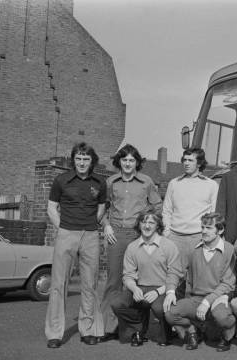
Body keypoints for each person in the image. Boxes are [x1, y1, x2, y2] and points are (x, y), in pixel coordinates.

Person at [45, 142, 106, 348]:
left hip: (90, 235)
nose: (82, 163)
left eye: (86, 159)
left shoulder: (99, 182)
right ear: (74, 160)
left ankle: (87, 329)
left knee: (89, 284)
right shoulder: (61, 180)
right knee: (58, 284)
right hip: (66, 234)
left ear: (92, 161)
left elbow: (101, 209)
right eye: (78, 159)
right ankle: (54, 333)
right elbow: (52, 208)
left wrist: (90, 224)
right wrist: (62, 228)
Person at [100, 144, 163, 342]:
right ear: (119, 162)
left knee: (138, 281)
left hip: (138, 235)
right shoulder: (111, 182)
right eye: (124, 160)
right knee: (114, 281)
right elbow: (102, 209)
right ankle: (108, 327)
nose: (128, 164)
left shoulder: (146, 182)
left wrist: (148, 226)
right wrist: (106, 225)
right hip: (116, 234)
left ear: (137, 162)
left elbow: (158, 206)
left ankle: (136, 327)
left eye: (132, 160)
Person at [163, 213, 236, 352]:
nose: (203, 231)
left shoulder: (229, 250)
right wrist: (170, 291)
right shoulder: (193, 249)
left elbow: (228, 284)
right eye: (202, 227)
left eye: (209, 228)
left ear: (220, 230)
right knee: (170, 313)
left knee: (221, 317)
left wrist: (207, 301)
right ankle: (192, 331)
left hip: (218, 298)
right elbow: (175, 270)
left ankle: (227, 335)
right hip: (195, 298)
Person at [110, 210, 181, 346]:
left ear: (157, 226)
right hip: (140, 287)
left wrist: (158, 292)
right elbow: (128, 275)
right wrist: (134, 288)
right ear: (139, 224)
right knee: (117, 303)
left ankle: (166, 332)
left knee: (159, 308)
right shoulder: (132, 247)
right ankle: (138, 329)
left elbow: (175, 275)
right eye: (143, 222)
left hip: (162, 288)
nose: (147, 226)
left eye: (151, 222)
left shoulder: (168, 246)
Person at [162, 148, 218, 274]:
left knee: (198, 276)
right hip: (175, 238)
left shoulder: (211, 185)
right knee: (173, 276)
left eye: (190, 160)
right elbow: (166, 211)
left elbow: (213, 214)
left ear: (199, 163)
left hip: (199, 238)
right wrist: (167, 233)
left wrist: (208, 236)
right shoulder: (174, 183)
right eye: (185, 160)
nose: (186, 163)